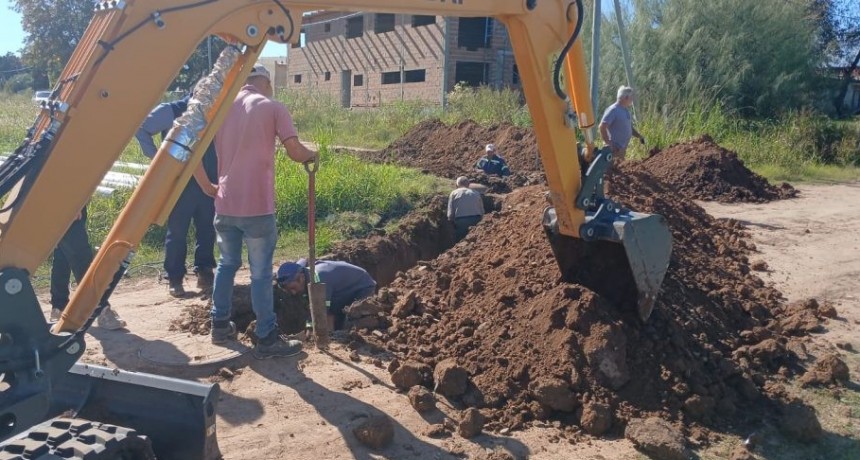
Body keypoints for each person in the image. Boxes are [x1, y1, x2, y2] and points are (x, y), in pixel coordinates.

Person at [208, 63, 317, 359]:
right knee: (259, 274)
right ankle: (267, 337)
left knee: (227, 263)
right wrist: (313, 154)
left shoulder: (221, 109)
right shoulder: (272, 106)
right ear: (266, 83)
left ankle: (219, 324)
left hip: (225, 203)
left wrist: (208, 184)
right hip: (256, 207)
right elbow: (295, 152)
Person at [136, 95, 218, 297]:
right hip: (178, 182)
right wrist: (158, 159)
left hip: (209, 179)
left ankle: (205, 271)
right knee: (177, 232)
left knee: (208, 228)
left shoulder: (217, 110)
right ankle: (174, 277)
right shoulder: (170, 110)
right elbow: (142, 128)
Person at [49, 206, 127, 330]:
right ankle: (100, 309)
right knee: (82, 258)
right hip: (65, 203)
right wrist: (73, 204)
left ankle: (59, 307)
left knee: (62, 257)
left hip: (61, 203)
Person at [276, 259, 377, 331]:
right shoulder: (302, 272)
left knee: (349, 324)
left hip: (362, 287)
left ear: (301, 278)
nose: (293, 293)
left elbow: (321, 313)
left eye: (293, 288)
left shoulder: (319, 280)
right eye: (289, 290)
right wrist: (309, 327)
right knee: (334, 316)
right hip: (341, 290)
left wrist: (311, 330)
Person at [598, 86, 645, 162]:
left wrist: (639, 136)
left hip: (621, 150)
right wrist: (609, 144)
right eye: (631, 97)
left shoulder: (625, 110)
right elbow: (602, 127)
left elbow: (629, 128)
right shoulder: (613, 110)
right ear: (626, 97)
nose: (632, 100)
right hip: (614, 149)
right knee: (612, 170)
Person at [447, 176, 485, 241]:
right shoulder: (476, 193)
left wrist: (451, 222)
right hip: (476, 220)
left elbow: (450, 214)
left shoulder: (454, 193)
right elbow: (482, 211)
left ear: (457, 185)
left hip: (461, 221)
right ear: (468, 184)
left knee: (461, 241)